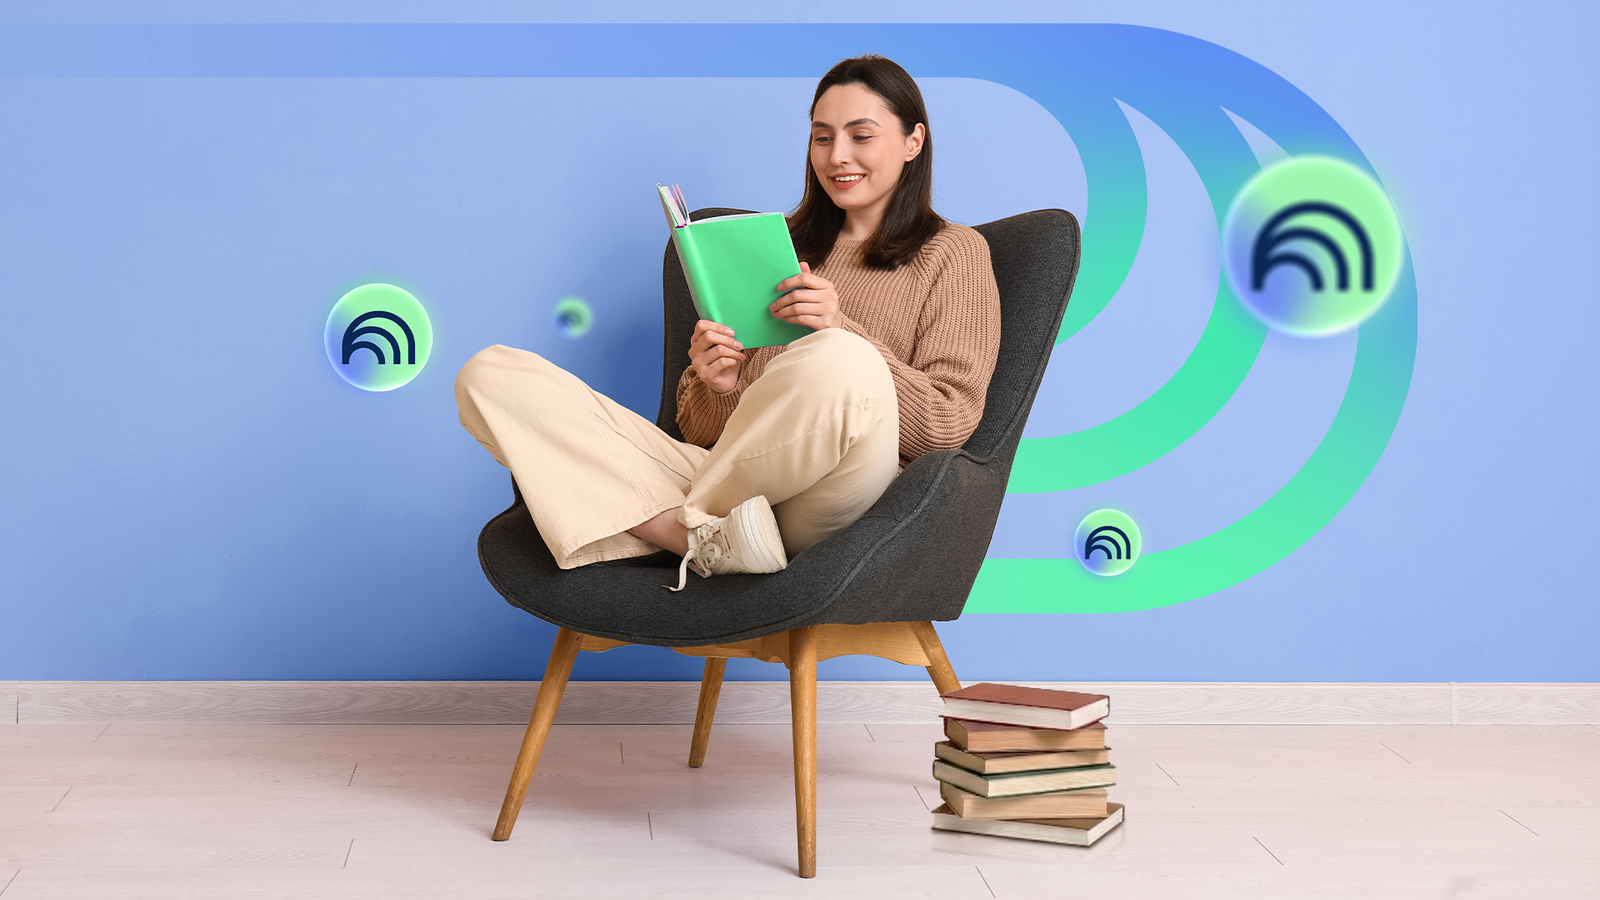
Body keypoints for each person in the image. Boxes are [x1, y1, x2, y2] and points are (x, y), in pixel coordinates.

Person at [455, 54, 1000, 591]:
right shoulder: (768, 247)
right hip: (735, 490)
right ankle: (708, 540)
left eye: (861, 135)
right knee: (491, 376)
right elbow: (704, 434)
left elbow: (950, 424)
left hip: (834, 493)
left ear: (913, 141)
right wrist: (717, 384)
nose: (838, 156)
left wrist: (841, 327)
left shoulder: (953, 253)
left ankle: (677, 526)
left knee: (843, 358)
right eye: (822, 137)